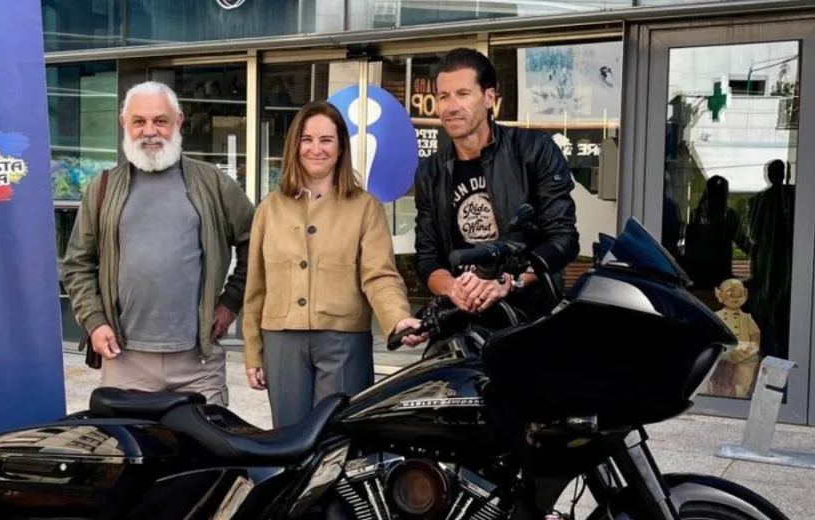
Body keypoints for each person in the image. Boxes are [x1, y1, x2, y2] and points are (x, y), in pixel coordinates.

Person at [61, 81, 255, 406]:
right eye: (139, 121)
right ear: (124, 124)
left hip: (198, 364)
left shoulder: (214, 183)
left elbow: (257, 244)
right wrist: (94, 322)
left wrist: (231, 301)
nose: (149, 131)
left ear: (178, 122)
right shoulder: (102, 188)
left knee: (206, 440)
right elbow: (77, 265)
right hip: (124, 362)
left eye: (160, 121)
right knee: (129, 442)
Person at [241, 101, 426, 428]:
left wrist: (398, 319)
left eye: (326, 140)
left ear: (341, 148)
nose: (316, 149)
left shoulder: (365, 207)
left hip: (344, 343)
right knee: (289, 440)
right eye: (307, 139)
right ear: (295, 146)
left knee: (338, 438)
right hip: (281, 342)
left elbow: (379, 275)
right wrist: (253, 351)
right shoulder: (269, 209)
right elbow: (257, 286)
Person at [413, 48, 580, 318]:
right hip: (462, 316)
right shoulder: (430, 172)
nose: (451, 106)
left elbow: (563, 239)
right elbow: (426, 257)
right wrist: (453, 288)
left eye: (463, 94)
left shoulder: (533, 150)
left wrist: (508, 282)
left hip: (529, 317)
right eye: (443, 96)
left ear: (489, 97)